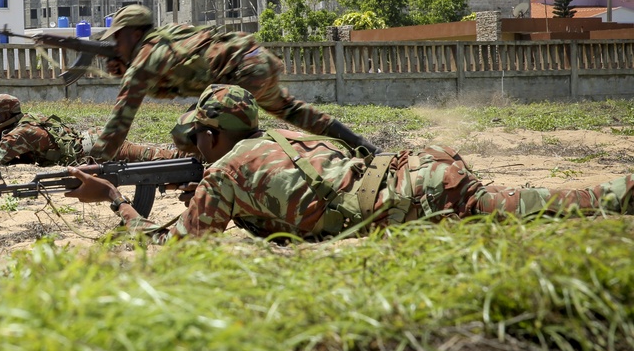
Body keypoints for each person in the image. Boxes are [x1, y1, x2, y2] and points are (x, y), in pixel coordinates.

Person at [64, 85, 634, 242]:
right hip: (414, 174)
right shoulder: (283, 138)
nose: (194, 152)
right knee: (530, 203)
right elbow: (297, 202)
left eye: (197, 140)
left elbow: (165, 248)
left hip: (419, 198)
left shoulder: (225, 174)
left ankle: (622, 191)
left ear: (213, 135)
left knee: (555, 207)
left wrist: (111, 201)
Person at [89, 4, 378, 161]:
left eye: (117, 36)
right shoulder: (168, 37)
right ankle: (364, 147)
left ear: (133, 33)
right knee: (293, 110)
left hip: (240, 76)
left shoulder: (145, 58)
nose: (115, 43)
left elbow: (120, 120)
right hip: (256, 61)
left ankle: (240, 169)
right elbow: (171, 85)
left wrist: (98, 159)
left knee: (186, 133)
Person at [0, 93, 187, 168]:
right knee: (158, 154)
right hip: (91, 141)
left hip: (96, 148)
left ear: (6, 117)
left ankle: (199, 157)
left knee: (163, 158)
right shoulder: (26, 122)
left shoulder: (21, 133)